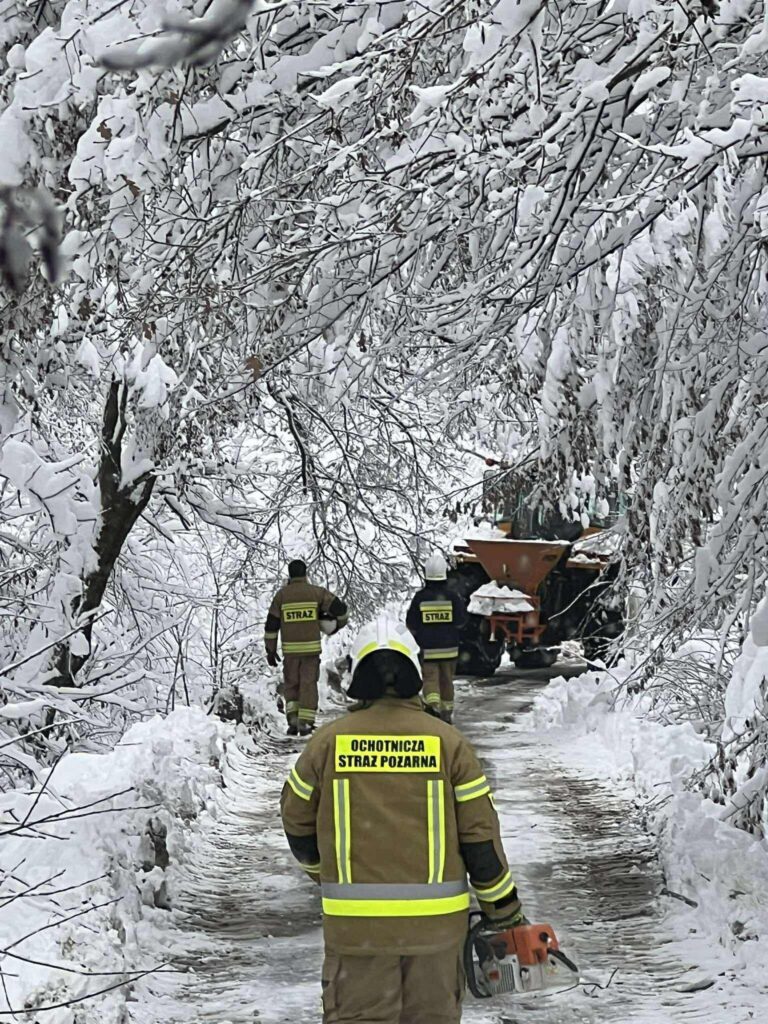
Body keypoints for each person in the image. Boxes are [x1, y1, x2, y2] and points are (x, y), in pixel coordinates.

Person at [280, 617, 525, 1024]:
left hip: (357, 937)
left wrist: (324, 872)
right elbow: (480, 841)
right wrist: (504, 911)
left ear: (358, 678)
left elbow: (295, 819)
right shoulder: (449, 745)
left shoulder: (326, 745)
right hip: (437, 938)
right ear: (415, 672)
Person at [264, 559, 348, 735]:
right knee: (308, 685)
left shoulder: (281, 596)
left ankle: (293, 720)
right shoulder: (317, 593)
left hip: (290, 652)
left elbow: (271, 626)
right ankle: (306, 723)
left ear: (290, 574)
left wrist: (270, 650)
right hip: (310, 651)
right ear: (305, 574)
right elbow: (341, 610)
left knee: (291, 684)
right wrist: (335, 626)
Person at [406, 551, 467, 724]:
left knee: (430, 680)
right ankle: (447, 713)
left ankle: (433, 708)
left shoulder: (420, 598)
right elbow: (461, 621)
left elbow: (412, 623)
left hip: (428, 650)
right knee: (447, 681)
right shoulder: (453, 597)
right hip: (450, 650)